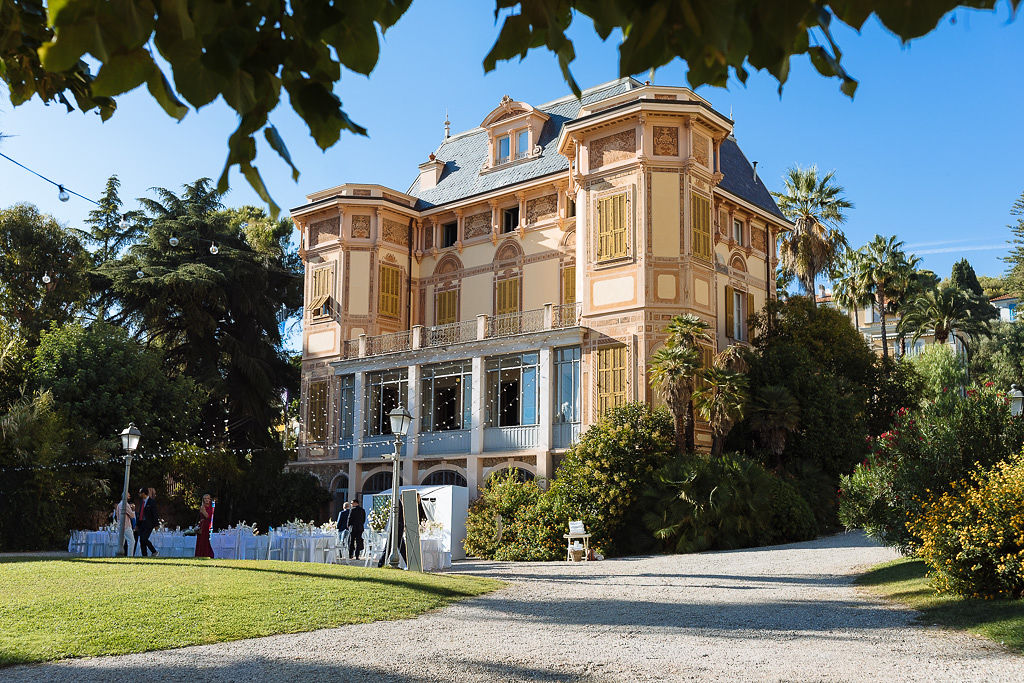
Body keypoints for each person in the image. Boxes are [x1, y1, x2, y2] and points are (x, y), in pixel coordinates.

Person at [378, 493, 427, 568]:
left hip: (400, 527)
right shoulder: (399, 503)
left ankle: (382, 563)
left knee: (398, 546)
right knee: (395, 546)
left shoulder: (409, 505)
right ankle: (409, 564)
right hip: (396, 526)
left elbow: (420, 515)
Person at [136, 487, 159, 557]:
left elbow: (155, 514)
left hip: (149, 524)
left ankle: (154, 551)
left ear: (144, 493)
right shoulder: (142, 502)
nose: (139, 494)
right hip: (142, 523)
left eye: (140, 493)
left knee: (144, 538)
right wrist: (137, 525)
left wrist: (156, 524)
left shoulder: (152, 502)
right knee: (141, 540)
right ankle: (144, 555)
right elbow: (140, 513)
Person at [195, 493, 215, 558]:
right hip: (202, 525)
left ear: (210, 499)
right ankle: (200, 554)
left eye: (208, 498)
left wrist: (203, 511)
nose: (206, 500)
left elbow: (208, 516)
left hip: (207, 526)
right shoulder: (202, 507)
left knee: (205, 540)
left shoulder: (211, 507)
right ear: (203, 499)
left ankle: (208, 554)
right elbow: (204, 516)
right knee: (201, 540)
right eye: (205, 498)